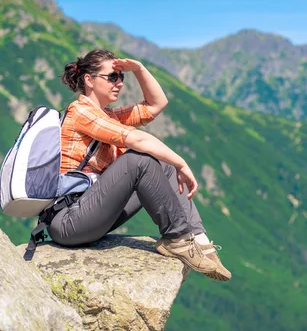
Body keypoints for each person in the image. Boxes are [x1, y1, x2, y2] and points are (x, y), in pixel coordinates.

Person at [53, 48, 231, 281]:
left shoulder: (108, 116)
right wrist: (181, 162)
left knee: (161, 166)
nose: (120, 83)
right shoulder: (80, 112)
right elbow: (137, 140)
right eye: (112, 77)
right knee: (137, 160)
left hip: (90, 215)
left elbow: (156, 105)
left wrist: (139, 69)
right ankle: (176, 239)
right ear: (89, 80)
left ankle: (199, 241)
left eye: (122, 77)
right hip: (69, 221)